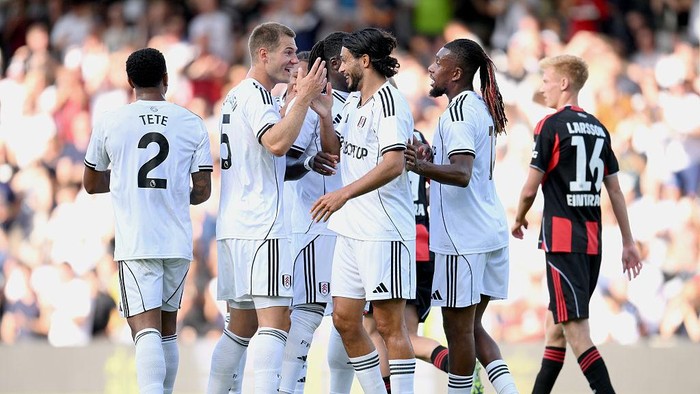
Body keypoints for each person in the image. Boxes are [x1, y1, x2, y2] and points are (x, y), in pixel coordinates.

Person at [205, 22, 327, 394]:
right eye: (288, 52)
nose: (293, 60)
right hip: (262, 227)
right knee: (276, 325)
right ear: (263, 54)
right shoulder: (257, 95)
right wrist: (304, 97)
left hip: (235, 226)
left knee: (240, 329)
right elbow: (275, 143)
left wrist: (305, 162)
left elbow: (268, 160)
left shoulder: (237, 96)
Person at [83, 47, 213, 394]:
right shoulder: (191, 122)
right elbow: (202, 191)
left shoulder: (111, 121)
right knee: (167, 330)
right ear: (166, 80)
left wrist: (125, 179)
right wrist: (170, 190)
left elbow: (91, 183)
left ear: (130, 82)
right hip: (176, 240)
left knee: (145, 332)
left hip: (137, 240)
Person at [511, 54, 643, 394]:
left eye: (546, 80)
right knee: (555, 328)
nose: (542, 88)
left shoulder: (549, 125)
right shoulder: (599, 129)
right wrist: (628, 241)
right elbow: (614, 188)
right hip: (591, 243)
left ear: (564, 83)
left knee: (575, 330)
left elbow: (529, 188)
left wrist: (520, 217)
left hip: (562, 241)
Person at [404, 38, 517, 394]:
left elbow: (462, 173)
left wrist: (420, 165)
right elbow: (462, 162)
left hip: (462, 239)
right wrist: (432, 153)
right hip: (489, 232)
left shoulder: (456, 113)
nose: (430, 68)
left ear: (455, 73)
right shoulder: (478, 108)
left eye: (438, 63)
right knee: (474, 328)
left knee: (457, 331)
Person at [311, 27, 417, 394]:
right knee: (344, 320)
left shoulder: (390, 102)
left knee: (390, 326)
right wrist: (325, 116)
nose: (340, 67)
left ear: (365, 61)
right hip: (353, 231)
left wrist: (343, 195)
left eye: (345, 59)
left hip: (383, 230)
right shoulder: (358, 103)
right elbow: (337, 154)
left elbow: (393, 164)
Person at [279, 32, 356, 394]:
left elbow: (288, 161)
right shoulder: (311, 106)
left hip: (337, 227)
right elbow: (289, 162)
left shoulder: (346, 105)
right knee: (320, 318)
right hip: (319, 226)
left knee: (341, 320)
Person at [363, 129, 451, 394]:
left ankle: (460, 366)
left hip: (393, 241)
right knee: (402, 336)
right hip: (423, 244)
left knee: (374, 330)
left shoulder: (378, 132)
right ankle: (459, 367)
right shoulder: (418, 136)